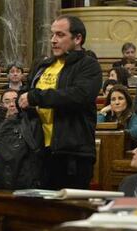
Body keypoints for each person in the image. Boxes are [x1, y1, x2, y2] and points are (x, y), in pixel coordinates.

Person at [18, 15, 102, 189]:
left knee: (68, 212)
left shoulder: (88, 65)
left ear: (77, 38)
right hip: (38, 149)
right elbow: (26, 91)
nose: (53, 40)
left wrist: (35, 97)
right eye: (52, 35)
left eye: (60, 35)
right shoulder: (44, 65)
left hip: (72, 152)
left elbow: (78, 95)